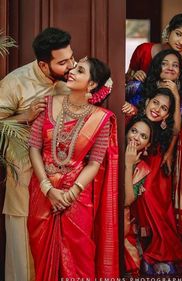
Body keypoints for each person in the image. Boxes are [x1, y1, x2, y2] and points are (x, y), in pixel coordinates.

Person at [27, 56, 119, 280]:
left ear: (92, 84)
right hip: (43, 191)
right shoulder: (47, 103)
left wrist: (71, 194)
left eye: (79, 71)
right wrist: (48, 188)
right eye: (73, 69)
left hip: (76, 197)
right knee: (41, 256)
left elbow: (95, 162)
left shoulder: (101, 119)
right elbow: (33, 148)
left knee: (79, 256)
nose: (71, 72)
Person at [0, 27, 75, 281]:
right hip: (24, 188)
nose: (71, 66)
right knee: (24, 266)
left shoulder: (70, 83)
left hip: (60, 192)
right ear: (43, 65)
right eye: (63, 62)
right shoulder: (15, 82)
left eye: (72, 58)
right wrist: (26, 116)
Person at [123, 87, 182, 276]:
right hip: (136, 168)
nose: (157, 109)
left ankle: (160, 251)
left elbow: (176, 129)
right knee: (143, 201)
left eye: (164, 108)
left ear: (166, 116)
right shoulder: (134, 116)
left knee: (155, 206)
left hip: (155, 170)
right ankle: (146, 250)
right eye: (155, 102)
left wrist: (177, 98)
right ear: (147, 101)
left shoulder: (164, 130)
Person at [126, 13, 182, 82]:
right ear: (169, 31)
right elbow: (126, 78)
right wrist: (135, 76)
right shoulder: (144, 50)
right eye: (178, 34)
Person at [124, 115, 154, 276]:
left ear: (147, 144)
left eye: (143, 136)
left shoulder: (143, 168)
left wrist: (129, 165)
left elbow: (127, 201)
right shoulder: (112, 151)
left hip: (123, 221)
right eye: (134, 131)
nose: (136, 137)